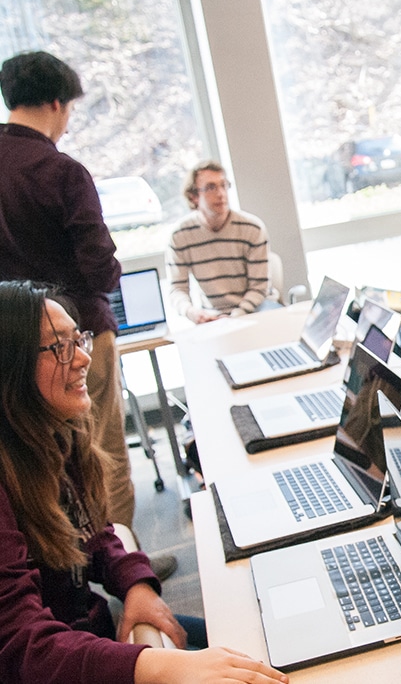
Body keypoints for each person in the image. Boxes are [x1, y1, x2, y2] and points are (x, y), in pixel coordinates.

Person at [0, 280, 289, 684]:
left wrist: (135, 584)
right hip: (61, 660)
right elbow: (21, 646)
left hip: (87, 638)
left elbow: (92, 534)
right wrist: (152, 665)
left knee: (264, 641)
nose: (83, 357)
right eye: (60, 347)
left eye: (78, 339)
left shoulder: (55, 437)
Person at [0, 51, 137, 533]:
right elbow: (99, 269)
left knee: (34, 466)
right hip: (76, 337)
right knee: (100, 455)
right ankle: (126, 570)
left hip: (12, 349)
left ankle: (65, 577)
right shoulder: (62, 171)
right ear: (57, 103)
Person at [166, 160, 272, 324]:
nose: (221, 193)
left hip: (256, 308)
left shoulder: (252, 228)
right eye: (211, 187)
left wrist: (235, 316)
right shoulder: (180, 235)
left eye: (224, 185)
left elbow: (259, 287)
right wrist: (191, 312)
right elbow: (177, 289)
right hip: (211, 315)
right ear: (194, 196)